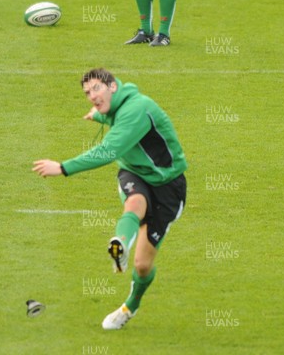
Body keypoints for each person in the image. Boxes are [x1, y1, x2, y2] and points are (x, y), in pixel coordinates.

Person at [32, 67, 187, 330]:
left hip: (167, 186)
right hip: (134, 173)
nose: (91, 96)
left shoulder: (138, 108)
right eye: (87, 92)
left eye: (97, 89)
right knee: (135, 202)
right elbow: (116, 116)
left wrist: (62, 167)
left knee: (142, 266)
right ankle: (121, 245)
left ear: (113, 86)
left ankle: (130, 306)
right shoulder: (119, 106)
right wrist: (100, 116)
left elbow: (108, 150)